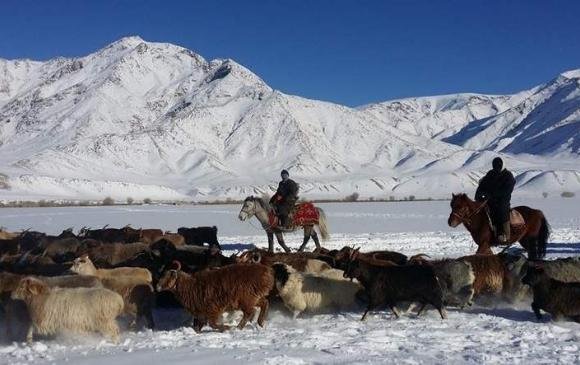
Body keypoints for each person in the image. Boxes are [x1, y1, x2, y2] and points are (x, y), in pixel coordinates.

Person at [475, 157, 516, 243]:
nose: (496, 166)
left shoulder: (508, 176)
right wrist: (479, 193)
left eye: (498, 165)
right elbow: (483, 184)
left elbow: (506, 191)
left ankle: (504, 235)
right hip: (489, 201)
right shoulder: (490, 174)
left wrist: (491, 194)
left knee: (501, 211)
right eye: (495, 164)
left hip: (502, 201)